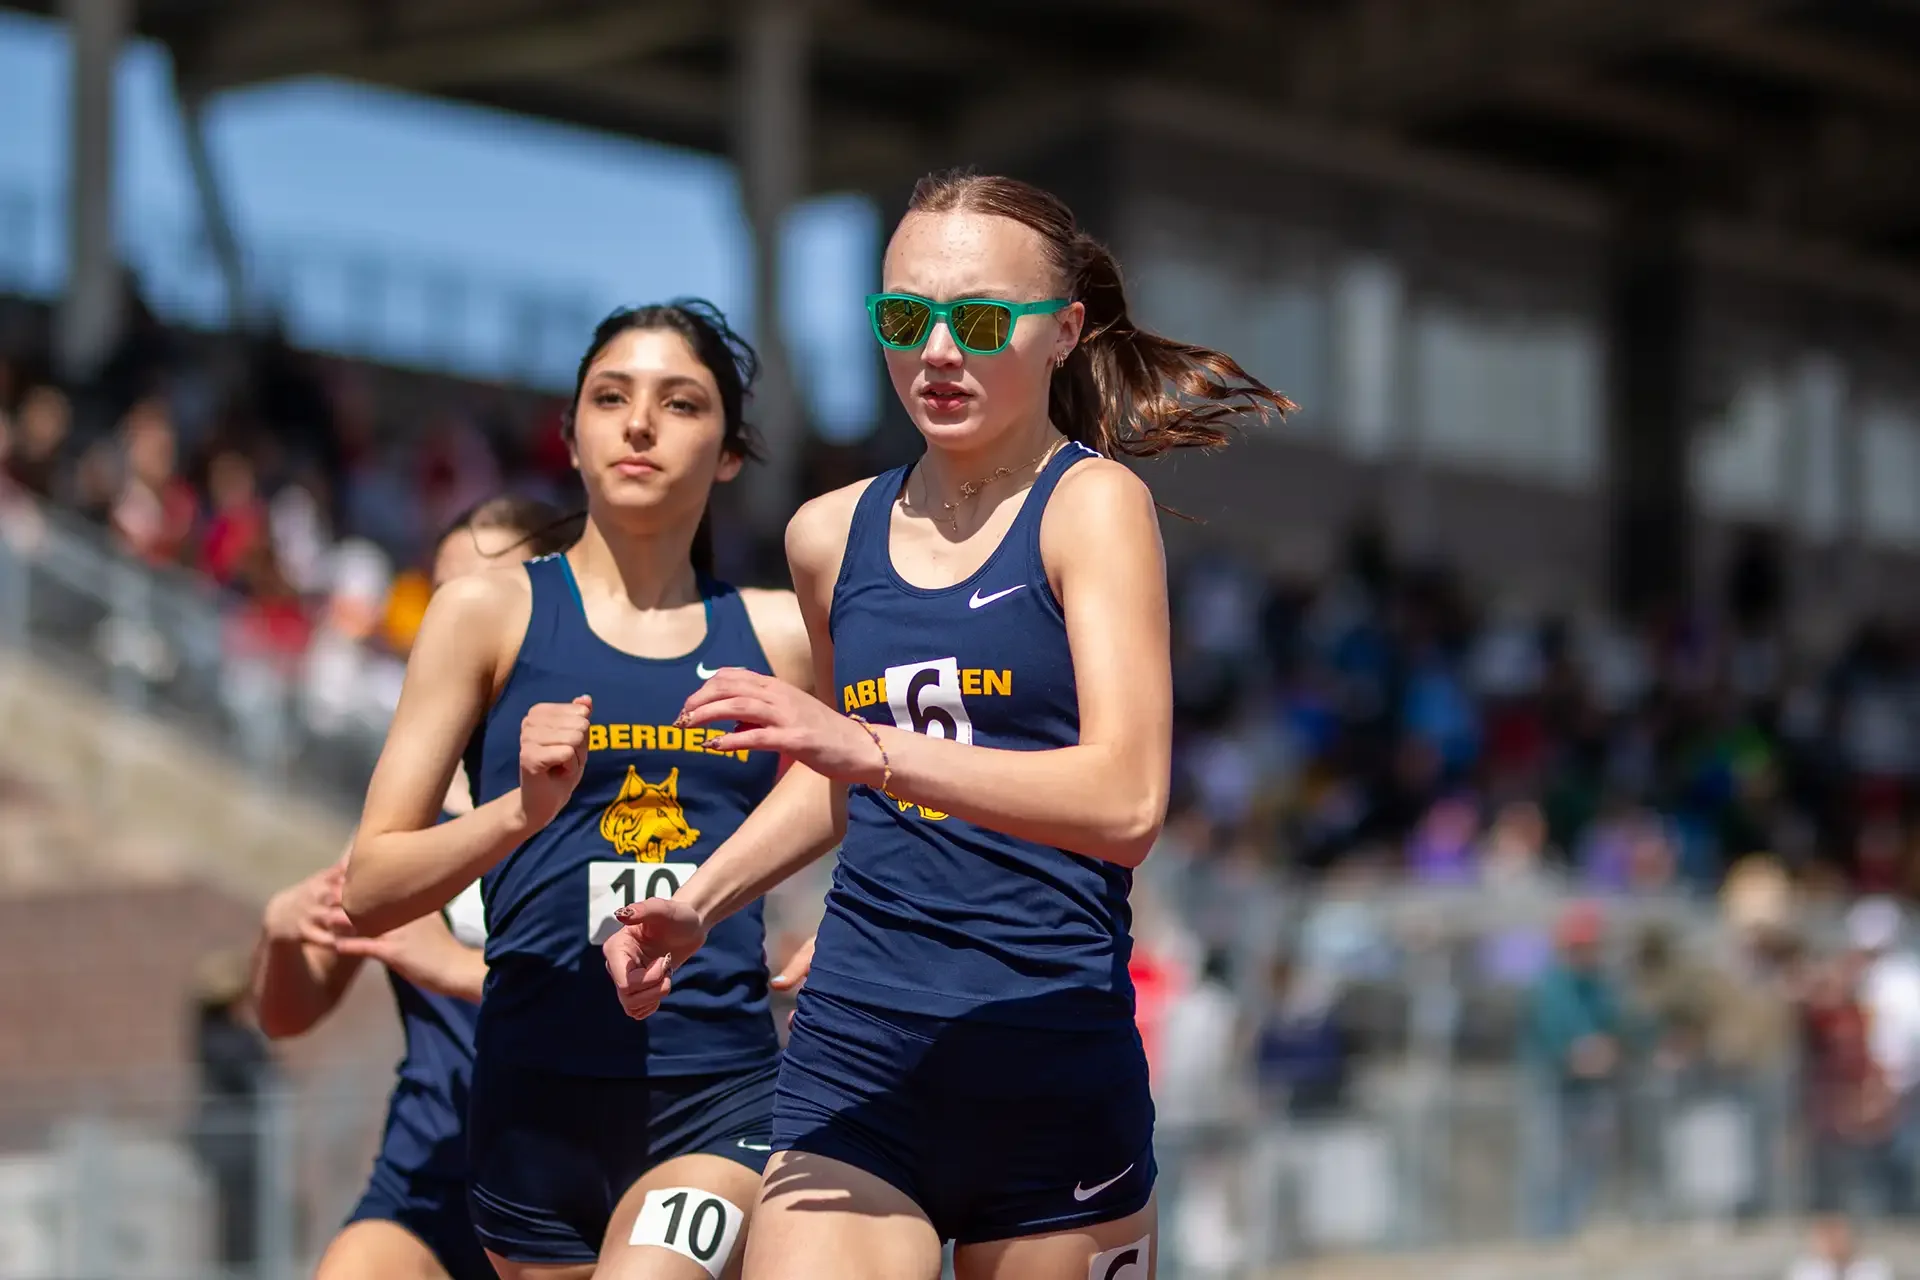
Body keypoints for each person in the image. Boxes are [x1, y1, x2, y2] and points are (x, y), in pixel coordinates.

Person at [603, 170, 1290, 1280]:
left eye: (978, 320)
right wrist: (697, 899)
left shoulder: (1093, 507)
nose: (936, 349)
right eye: (902, 315)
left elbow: (1125, 801)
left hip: (1050, 1060)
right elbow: (829, 781)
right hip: (859, 1052)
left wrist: (875, 749)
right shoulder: (829, 535)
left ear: (1064, 330)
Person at [341, 302, 815, 1280]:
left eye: (679, 402)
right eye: (611, 397)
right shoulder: (485, 612)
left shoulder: (783, 633)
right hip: (531, 1112)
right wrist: (521, 810)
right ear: (569, 434)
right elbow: (373, 882)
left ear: (730, 451)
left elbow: (892, 785)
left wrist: (843, 921)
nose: (640, 423)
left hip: (717, 1096)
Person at [250, 496, 573, 1280]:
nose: (460, 621)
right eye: (442, 597)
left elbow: (673, 996)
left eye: (488, 591)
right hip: (433, 1180)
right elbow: (286, 1015)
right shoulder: (407, 816)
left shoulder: (621, 785)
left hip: (584, 1169)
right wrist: (281, 931)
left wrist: (455, 967)